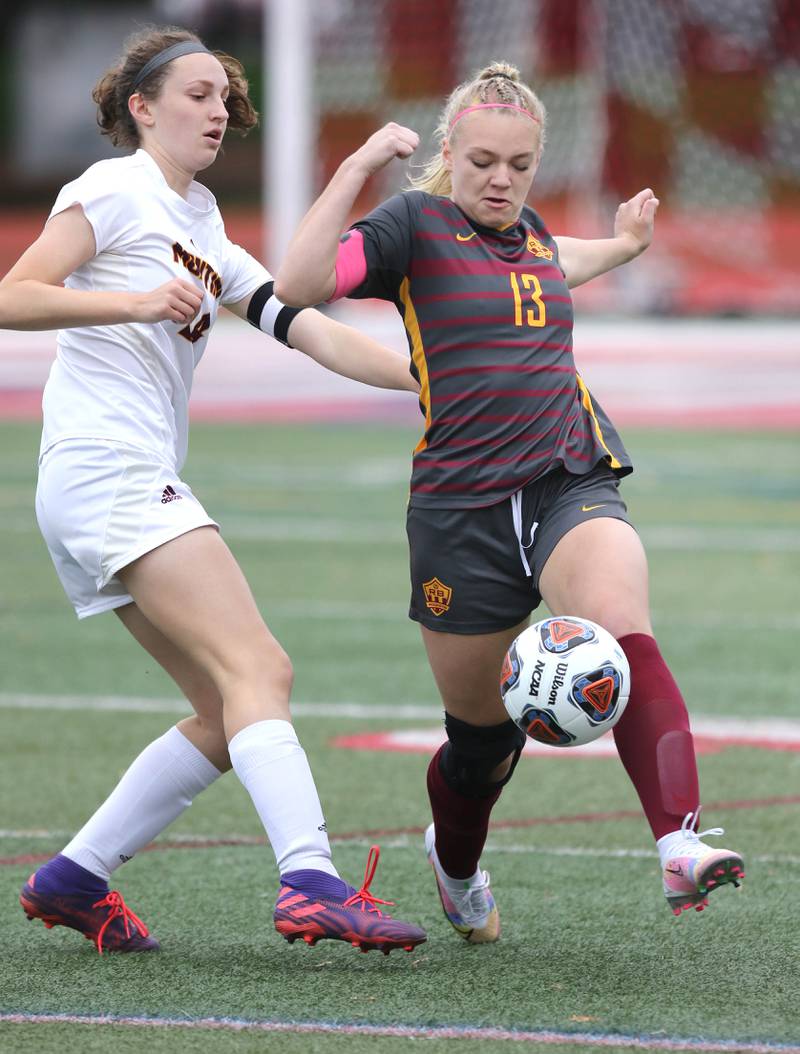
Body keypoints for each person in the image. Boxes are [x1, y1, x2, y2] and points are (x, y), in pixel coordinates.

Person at [274, 62, 745, 943]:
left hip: (569, 472)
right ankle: (455, 868)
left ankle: (679, 840)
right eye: (483, 161)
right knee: (481, 745)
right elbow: (301, 284)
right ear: (449, 153)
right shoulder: (411, 225)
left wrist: (628, 248)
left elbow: (562, 257)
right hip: (460, 516)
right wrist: (356, 166)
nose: (501, 180)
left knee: (623, 633)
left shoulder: (528, 234)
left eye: (519, 165)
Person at [0, 25, 426, 956]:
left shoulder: (205, 232)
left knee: (229, 714)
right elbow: (13, 294)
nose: (217, 111)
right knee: (262, 672)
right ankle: (309, 880)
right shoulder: (114, 188)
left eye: (225, 98)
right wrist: (135, 301)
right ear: (141, 109)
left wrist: (427, 377)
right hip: (110, 471)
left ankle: (75, 876)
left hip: (101, 483)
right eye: (195, 94)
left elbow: (306, 327)